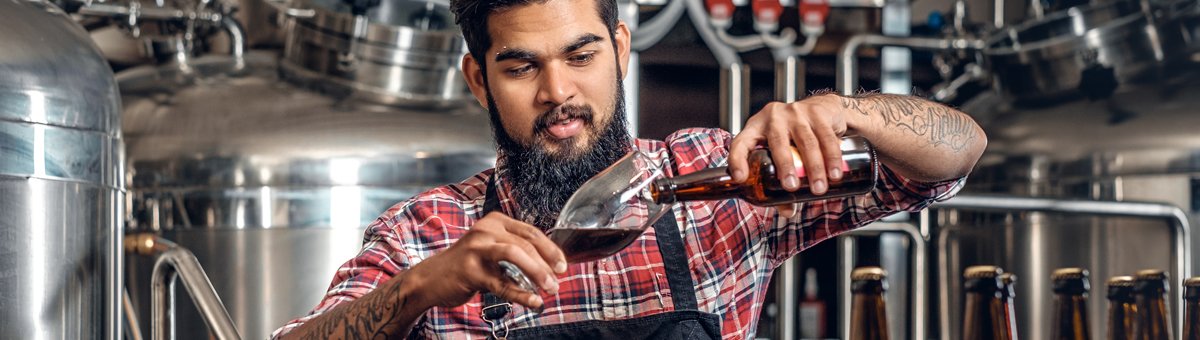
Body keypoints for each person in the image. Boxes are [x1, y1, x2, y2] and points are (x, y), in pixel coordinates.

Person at [271, 0, 986, 338]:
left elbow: (956, 155)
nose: (558, 93)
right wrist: (420, 289)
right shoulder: (428, 233)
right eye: (522, 67)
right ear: (479, 80)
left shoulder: (719, 182)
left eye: (581, 57)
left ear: (620, 47)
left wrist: (846, 114)